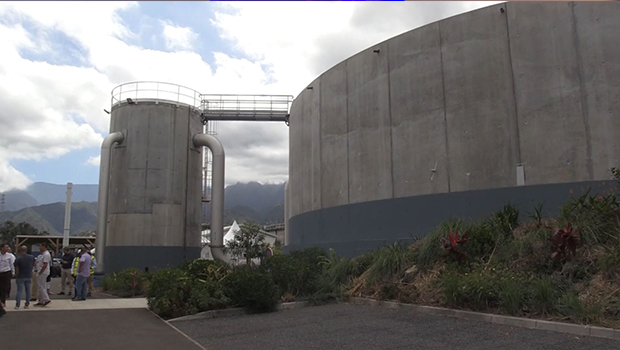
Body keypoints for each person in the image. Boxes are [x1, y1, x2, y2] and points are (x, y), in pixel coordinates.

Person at [0, 243, 16, 308]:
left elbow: (11, 264)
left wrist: (13, 272)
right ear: (2, 248)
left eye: (8, 247)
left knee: (4, 288)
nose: (7, 248)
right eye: (6, 247)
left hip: (6, 272)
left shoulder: (9, 256)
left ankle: (3, 301)